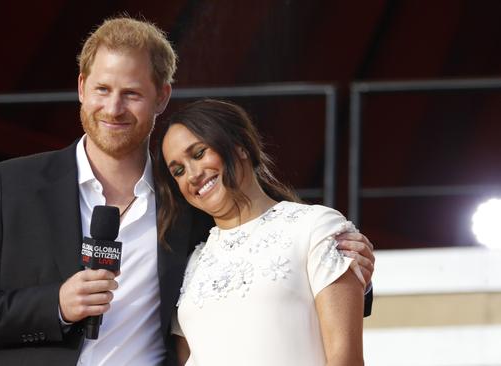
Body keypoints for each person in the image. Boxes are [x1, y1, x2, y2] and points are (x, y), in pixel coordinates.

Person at [0, 17, 375, 366]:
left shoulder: (188, 195)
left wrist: (347, 271)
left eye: (132, 94)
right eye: (102, 89)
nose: (113, 107)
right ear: (82, 88)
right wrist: (55, 305)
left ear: (162, 97)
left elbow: (256, 254)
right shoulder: (14, 184)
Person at [156, 99, 366, 366]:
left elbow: (344, 358)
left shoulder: (315, 227)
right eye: (178, 171)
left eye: (198, 154)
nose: (192, 175)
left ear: (239, 146)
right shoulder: (191, 263)